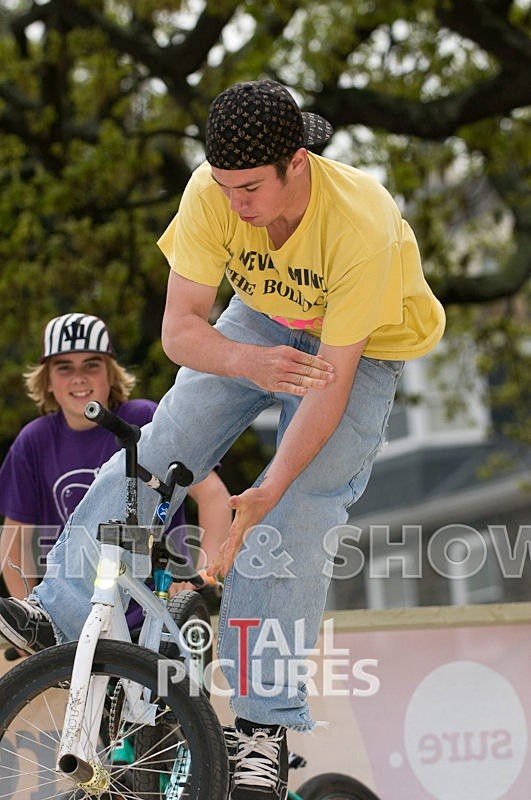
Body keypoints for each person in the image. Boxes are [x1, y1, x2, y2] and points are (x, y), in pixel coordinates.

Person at [0, 80, 445, 800]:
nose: (235, 204)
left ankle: (261, 732)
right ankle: (60, 607)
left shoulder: (360, 220)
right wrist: (248, 360)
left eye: (249, 189)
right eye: (224, 186)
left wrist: (263, 492)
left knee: (299, 513)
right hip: (258, 323)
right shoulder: (208, 193)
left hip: (358, 350)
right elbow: (181, 331)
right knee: (163, 441)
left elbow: (328, 386)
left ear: (295, 163)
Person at [0, 312, 231, 612]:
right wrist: (29, 613)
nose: (78, 377)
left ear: (110, 372)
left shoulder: (144, 420)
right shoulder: (34, 442)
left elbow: (214, 496)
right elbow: (14, 544)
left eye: (91, 365)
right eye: (64, 367)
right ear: (47, 380)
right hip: (79, 616)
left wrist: (203, 572)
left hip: (158, 609)